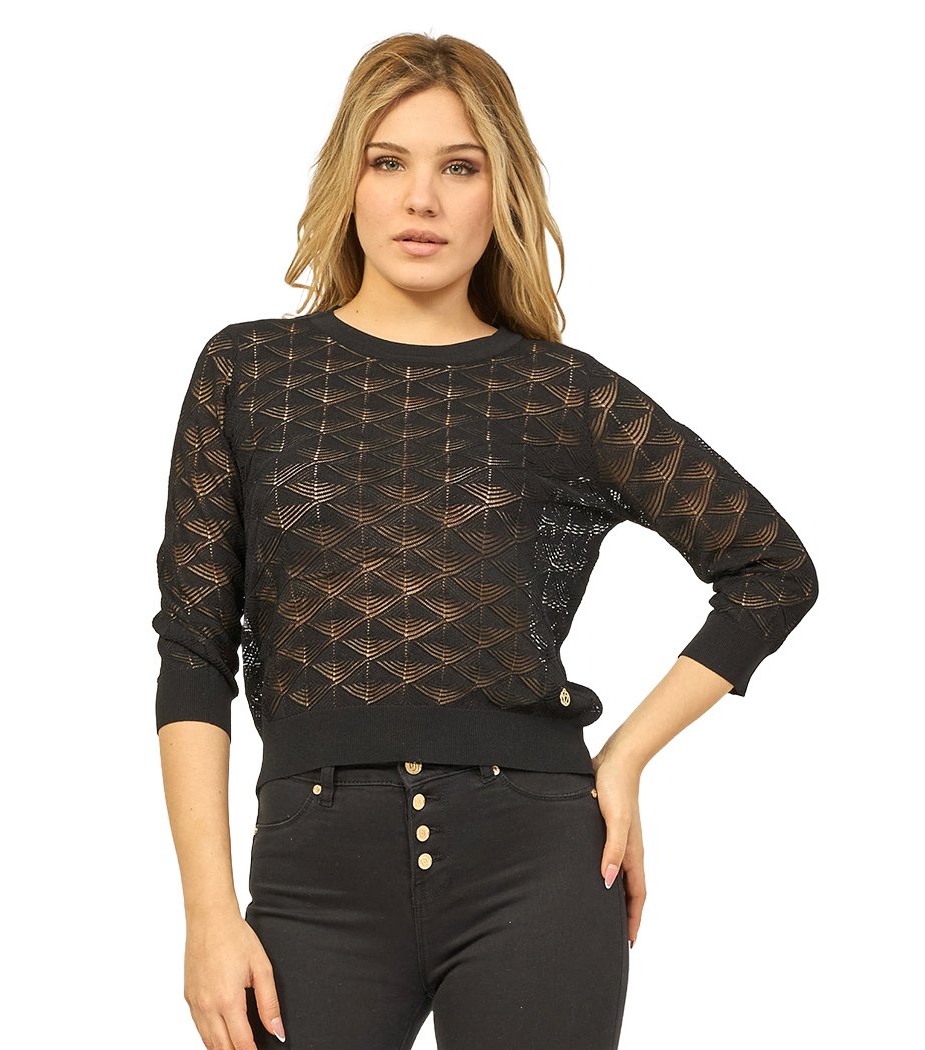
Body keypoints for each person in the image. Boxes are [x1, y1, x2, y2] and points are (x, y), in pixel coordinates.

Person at [152, 32, 819, 1050]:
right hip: (312, 874)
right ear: (348, 182)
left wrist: (624, 758)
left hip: (539, 865)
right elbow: (195, 653)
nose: (421, 199)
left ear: (500, 191)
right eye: (389, 162)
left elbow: (772, 568)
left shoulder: (561, 395)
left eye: (459, 168)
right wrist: (208, 914)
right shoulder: (248, 373)